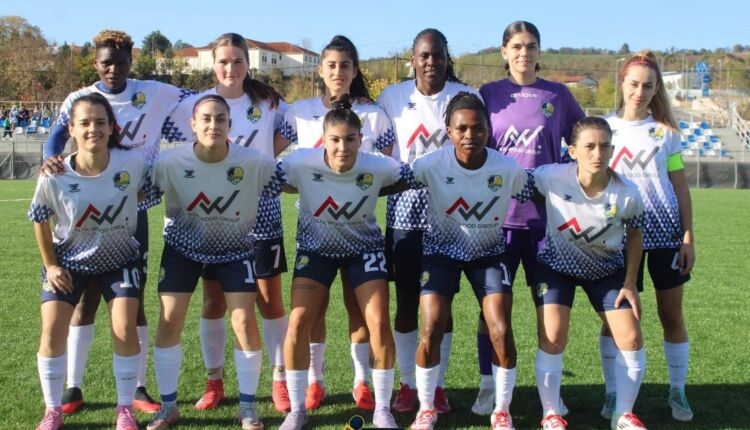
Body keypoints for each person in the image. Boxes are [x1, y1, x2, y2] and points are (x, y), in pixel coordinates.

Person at [41, 29, 195, 415]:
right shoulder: (78, 98)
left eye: (121, 62)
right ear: (95, 63)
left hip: (131, 210)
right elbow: (57, 134)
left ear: (131, 63)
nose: (114, 69)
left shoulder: (154, 92)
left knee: (131, 301)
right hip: (83, 207)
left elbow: (201, 98)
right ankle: (73, 387)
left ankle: (138, 388)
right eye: (106, 62)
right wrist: (50, 159)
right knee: (84, 301)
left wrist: (252, 92)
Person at [164, 32, 291, 414]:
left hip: (262, 211)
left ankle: (280, 379)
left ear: (248, 64)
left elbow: (292, 131)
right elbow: (164, 135)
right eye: (223, 61)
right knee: (214, 301)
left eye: (238, 61)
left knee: (269, 300)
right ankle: (214, 381)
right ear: (213, 64)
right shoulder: (197, 103)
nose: (231, 68)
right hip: (213, 217)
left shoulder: (268, 101)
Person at [146, 94, 276, 430]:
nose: (213, 125)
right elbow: (138, 192)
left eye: (220, 119)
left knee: (244, 321)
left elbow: (292, 180)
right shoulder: (169, 162)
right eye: (205, 118)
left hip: (235, 250)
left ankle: (247, 408)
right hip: (182, 249)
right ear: (193, 124)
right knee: (170, 320)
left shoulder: (255, 162)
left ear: (229, 124)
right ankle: (168, 407)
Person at [475, 20, 585, 416]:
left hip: (545, 225)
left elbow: (583, 141)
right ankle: (488, 387)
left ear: (539, 52)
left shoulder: (558, 95)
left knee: (549, 312)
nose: (524, 53)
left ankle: (550, 394)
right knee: (492, 313)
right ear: (504, 52)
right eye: (517, 46)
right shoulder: (488, 94)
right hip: (497, 223)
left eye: (531, 46)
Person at [280, 35, 395, 411]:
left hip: (360, 230)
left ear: (355, 70)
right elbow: (274, 158)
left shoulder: (375, 115)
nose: (338, 72)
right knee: (313, 311)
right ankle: (315, 381)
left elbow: (387, 171)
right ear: (320, 69)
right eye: (331, 65)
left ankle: (362, 382)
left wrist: (353, 195)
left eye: (345, 65)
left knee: (360, 310)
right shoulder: (299, 111)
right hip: (315, 231)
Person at [407, 92, 532, 430]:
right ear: (448, 131)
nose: (469, 135)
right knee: (431, 327)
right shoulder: (430, 165)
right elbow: (391, 182)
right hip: (440, 253)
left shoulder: (508, 168)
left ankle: (501, 410)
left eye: (477, 128)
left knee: (500, 330)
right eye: (461, 128)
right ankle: (426, 408)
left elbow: (538, 192)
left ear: (488, 130)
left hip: (488, 255)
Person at [29, 93, 149, 430]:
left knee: (124, 327)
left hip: (120, 259)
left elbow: (150, 191)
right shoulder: (54, 173)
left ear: (111, 127)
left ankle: (124, 409)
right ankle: (52, 411)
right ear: (71, 129)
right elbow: (39, 219)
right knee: (52, 329)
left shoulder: (133, 164)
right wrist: (52, 265)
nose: (92, 128)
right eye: (84, 123)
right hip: (69, 262)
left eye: (100, 122)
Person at [377, 28, 479, 414]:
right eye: (424, 55)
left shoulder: (465, 96)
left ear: (447, 58)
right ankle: (407, 384)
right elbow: (381, 151)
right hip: (403, 215)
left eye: (438, 55)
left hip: (450, 217)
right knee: (406, 302)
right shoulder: (392, 97)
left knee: (441, 306)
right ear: (413, 59)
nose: (431, 62)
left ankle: (436, 386)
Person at [530, 117, 648, 430]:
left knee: (631, 336)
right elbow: (514, 183)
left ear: (612, 150)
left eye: (605, 146)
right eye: (590, 146)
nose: (598, 153)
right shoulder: (549, 177)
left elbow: (636, 236)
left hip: (606, 271)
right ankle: (551, 414)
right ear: (572, 151)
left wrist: (630, 283)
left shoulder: (628, 193)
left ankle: (623, 414)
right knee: (553, 335)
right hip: (556, 268)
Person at [601, 50, 695, 422]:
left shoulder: (667, 133)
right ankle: (613, 394)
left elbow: (680, 186)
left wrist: (687, 237)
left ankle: (678, 390)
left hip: (665, 235)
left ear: (657, 90)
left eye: (648, 86)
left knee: (671, 315)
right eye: (634, 84)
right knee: (615, 320)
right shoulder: (605, 128)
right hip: (618, 236)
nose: (639, 92)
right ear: (622, 83)